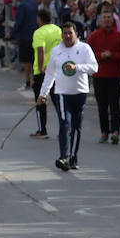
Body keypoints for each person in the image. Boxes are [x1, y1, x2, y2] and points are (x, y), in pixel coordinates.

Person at [37, 20, 99, 172]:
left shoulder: (84, 49)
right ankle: (63, 156)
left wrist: (77, 67)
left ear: (76, 34)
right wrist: (43, 94)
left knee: (77, 127)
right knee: (64, 124)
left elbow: (94, 67)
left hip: (80, 92)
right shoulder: (57, 51)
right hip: (62, 93)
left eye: (70, 33)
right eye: (64, 33)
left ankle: (73, 156)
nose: (67, 36)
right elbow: (50, 74)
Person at [86, 7, 120, 144]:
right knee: (102, 106)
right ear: (100, 20)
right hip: (99, 76)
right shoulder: (94, 36)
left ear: (112, 20)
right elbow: (87, 54)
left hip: (115, 75)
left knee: (114, 105)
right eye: (104, 18)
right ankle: (104, 132)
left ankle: (115, 131)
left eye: (109, 18)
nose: (106, 20)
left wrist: (112, 55)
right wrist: (100, 56)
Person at [29, 8, 61, 139]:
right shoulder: (58, 30)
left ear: (39, 19)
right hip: (57, 69)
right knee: (58, 101)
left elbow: (41, 50)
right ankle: (64, 128)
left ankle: (42, 129)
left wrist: (41, 66)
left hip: (42, 71)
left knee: (40, 100)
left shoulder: (39, 33)